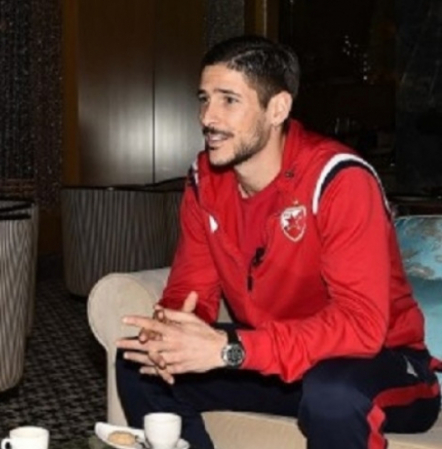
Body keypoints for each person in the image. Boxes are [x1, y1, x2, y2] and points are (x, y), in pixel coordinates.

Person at [115, 35, 440, 449]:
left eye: (229, 100)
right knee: (136, 362)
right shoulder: (205, 181)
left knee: (332, 393)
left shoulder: (339, 180)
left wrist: (232, 350)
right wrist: (170, 330)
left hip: (381, 363)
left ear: (278, 109)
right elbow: (191, 288)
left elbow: (360, 327)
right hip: (275, 360)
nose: (208, 117)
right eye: (204, 99)